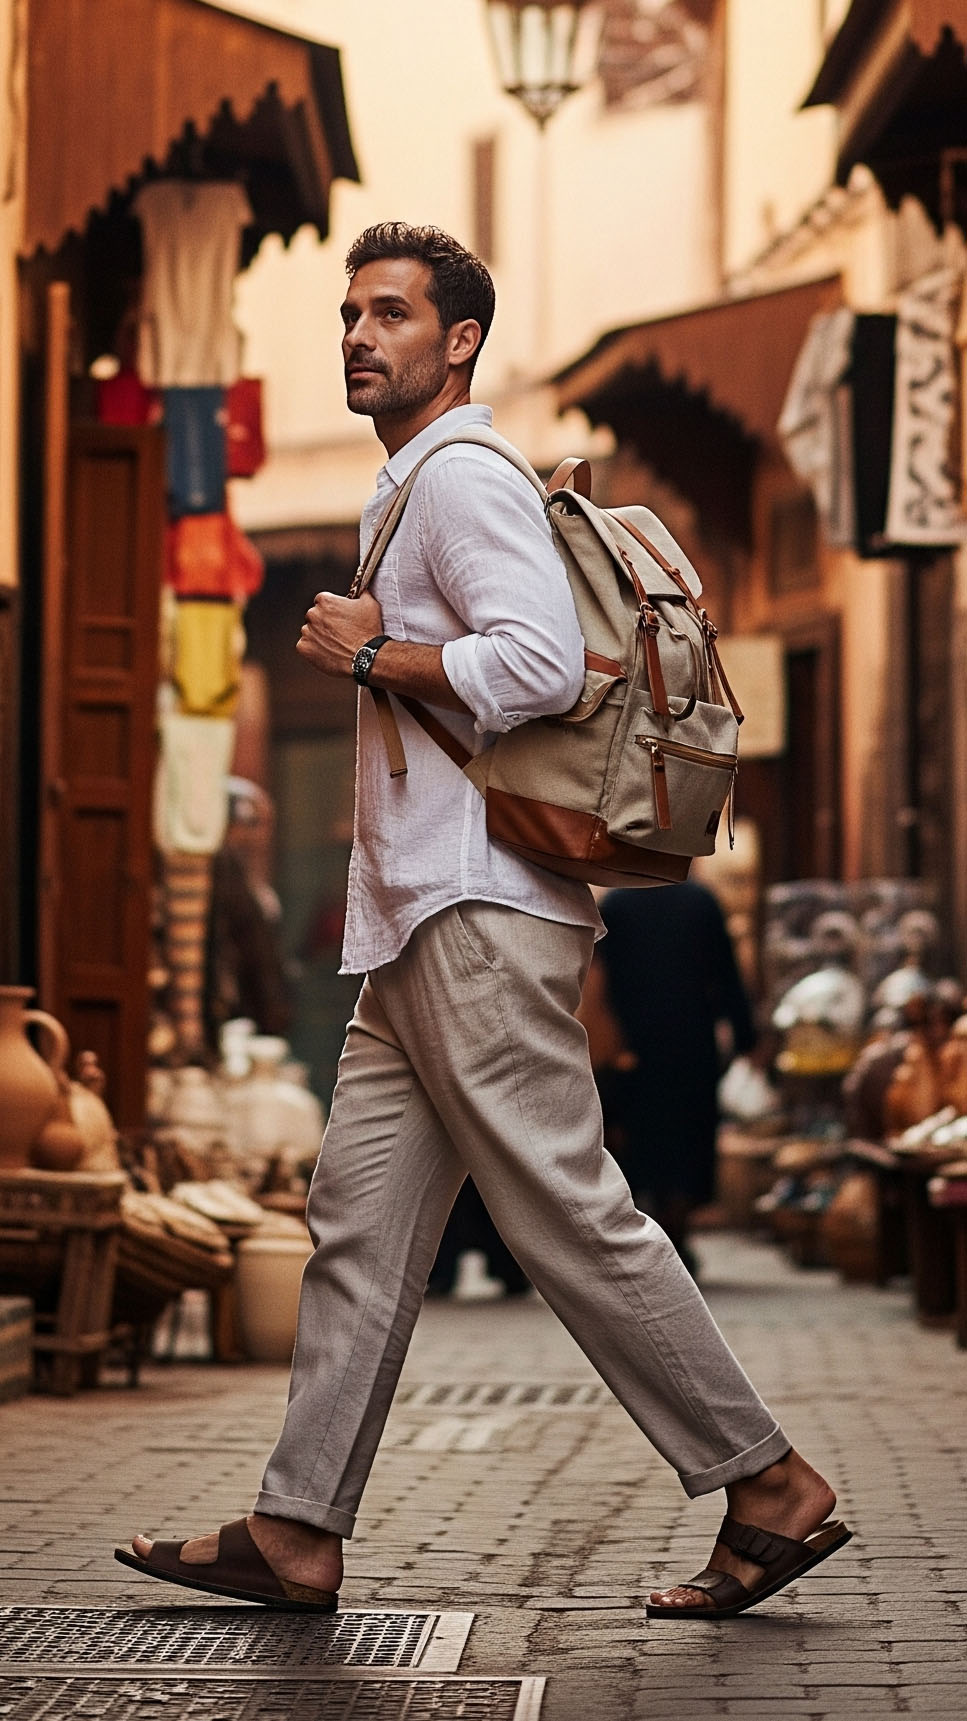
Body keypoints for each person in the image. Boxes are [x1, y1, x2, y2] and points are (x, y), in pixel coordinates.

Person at [116, 222, 850, 1620]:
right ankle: (296, 1528)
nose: (355, 334)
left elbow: (535, 664)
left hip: (478, 907)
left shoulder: (458, 478)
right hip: (418, 924)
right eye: (347, 313)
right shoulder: (410, 488)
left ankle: (765, 1483)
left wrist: (368, 651)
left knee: (568, 1215)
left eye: (388, 314)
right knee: (356, 1227)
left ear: (457, 341)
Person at [586, 881, 758, 1277]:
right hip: (691, 1046)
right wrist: (746, 1035)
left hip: (635, 1049)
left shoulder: (618, 904)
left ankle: (650, 1235)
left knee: (643, 1142)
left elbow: (599, 980)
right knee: (686, 1142)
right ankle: (676, 1233)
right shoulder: (701, 902)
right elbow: (727, 975)